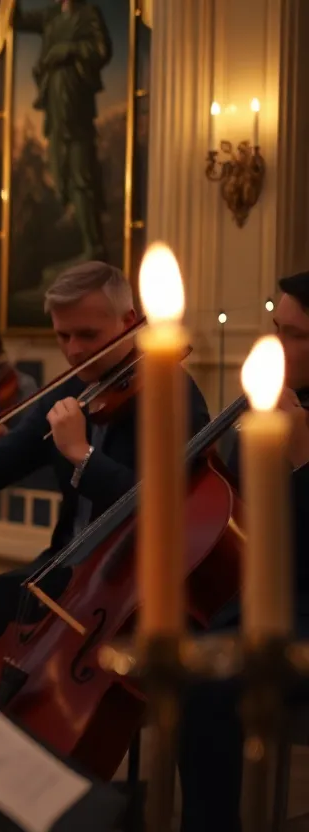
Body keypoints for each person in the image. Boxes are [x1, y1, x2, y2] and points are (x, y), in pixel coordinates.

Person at [0, 261, 211, 832]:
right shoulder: (75, 390)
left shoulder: (173, 393)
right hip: (62, 579)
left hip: (130, 596)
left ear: (130, 320)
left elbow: (171, 512)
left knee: (33, 694)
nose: (72, 351)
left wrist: (85, 461)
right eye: (62, 336)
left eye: (88, 335)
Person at [178, 271, 309, 832]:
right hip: (266, 600)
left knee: (208, 682)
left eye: (296, 334)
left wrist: (303, 461)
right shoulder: (280, 407)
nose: (277, 346)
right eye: (275, 327)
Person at [13, 0, 112, 261]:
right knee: (59, 171)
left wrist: (69, 49)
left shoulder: (88, 14)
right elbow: (18, 20)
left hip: (76, 102)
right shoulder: (50, 16)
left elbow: (102, 50)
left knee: (81, 173)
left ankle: (93, 246)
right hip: (55, 105)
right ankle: (81, 239)